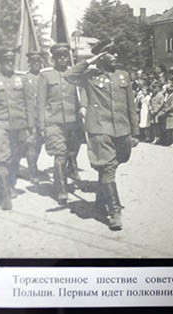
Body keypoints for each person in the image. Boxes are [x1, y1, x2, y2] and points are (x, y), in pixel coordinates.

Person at [64, 51, 139, 230]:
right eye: (110, 53)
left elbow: (131, 104)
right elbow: (69, 75)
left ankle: (100, 200)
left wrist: (135, 132)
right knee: (107, 167)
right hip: (99, 129)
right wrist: (91, 60)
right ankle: (114, 212)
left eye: (116, 52)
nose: (115, 56)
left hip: (122, 130)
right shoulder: (89, 75)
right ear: (101, 57)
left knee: (115, 163)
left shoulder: (123, 75)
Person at [0, 48, 35, 210]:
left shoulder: (22, 79)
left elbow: (29, 103)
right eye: (6, 61)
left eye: (12, 61)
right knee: (2, 159)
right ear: (1, 62)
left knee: (16, 158)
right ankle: (4, 195)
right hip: (0, 125)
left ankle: (11, 185)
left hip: (19, 127)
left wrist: (30, 125)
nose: (9, 64)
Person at [37, 43, 86, 204]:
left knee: (71, 153)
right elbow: (41, 102)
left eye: (65, 56)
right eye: (59, 56)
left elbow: (83, 91)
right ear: (54, 58)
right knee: (60, 154)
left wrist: (83, 106)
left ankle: (63, 178)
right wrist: (42, 125)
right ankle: (61, 189)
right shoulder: (46, 76)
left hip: (73, 122)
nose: (62, 59)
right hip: (54, 122)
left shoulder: (74, 74)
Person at [24, 51, 45, 185]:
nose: (36, 63)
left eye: (38, 61)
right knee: (31, 143)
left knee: (39, 144)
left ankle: (33, 164)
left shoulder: (45, 77)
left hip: (43, 117)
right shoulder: (25, 78)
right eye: (33, 61)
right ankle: (33, 170)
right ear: (29, 63)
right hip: (29, 117)